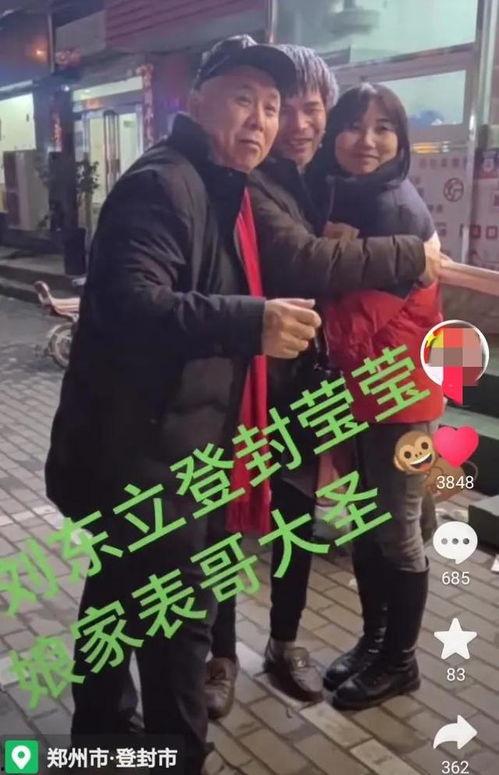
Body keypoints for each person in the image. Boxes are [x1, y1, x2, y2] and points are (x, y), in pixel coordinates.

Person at [45, 36, 318, 775]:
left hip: (155, 451)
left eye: (272, 106)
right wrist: (251, 321)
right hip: (148, 460)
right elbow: (130, 304)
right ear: (195, 101)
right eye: (242, 99)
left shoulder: (219, 184)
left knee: (114, 600)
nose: (261, 120)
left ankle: (101, 737)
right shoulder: (165, 185)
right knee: (179, 632)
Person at [203, 47, 450, 719]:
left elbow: (359, 308)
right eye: (285, 109)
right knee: (243, 520)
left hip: (381, 396)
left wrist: (394, 254)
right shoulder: (284, 182)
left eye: (312, 109)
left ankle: (372, 653)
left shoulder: (383, 201)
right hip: (277, 386)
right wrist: (402, 254)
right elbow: (306, 257)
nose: (300, 124)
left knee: (358, 525)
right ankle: (230, 653)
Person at [310, 83, 444, 709]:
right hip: (364, 396)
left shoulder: (397, 211)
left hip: (404, 403)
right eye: (354, 125)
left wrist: (331, 257)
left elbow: (352, 330)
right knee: (368, 524)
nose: (367, 141)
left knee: (398, 531)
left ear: (401, 139)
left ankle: (400, 661)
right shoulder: (349, 195)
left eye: (383, 128)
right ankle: (374, 642)